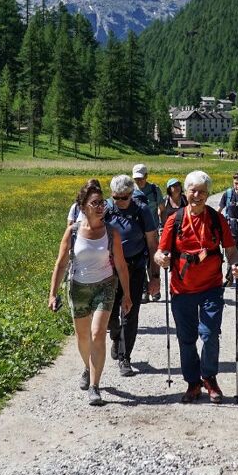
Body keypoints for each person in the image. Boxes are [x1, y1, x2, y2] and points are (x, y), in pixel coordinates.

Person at [154, 170, 238, 404]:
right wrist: (160, 259)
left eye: (202, 192)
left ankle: (209, 378)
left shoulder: (216, 219)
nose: (197, 195)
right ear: (185, 192)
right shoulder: (176, 219)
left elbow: (232, 252)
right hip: (181, 290)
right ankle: (193, 382)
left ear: (208, 194)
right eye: (193, 191)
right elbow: (160, 252)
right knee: (186, 338)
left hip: (211, 287)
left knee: (210, 334)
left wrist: (236, 266)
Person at [49, 180, 132, 406]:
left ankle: (95, 386)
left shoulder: (111, 233)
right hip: (78, 288)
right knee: (83, 337)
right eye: (94, 203)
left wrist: (127, 295)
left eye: (102, 203)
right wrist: (52, 294)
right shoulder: (73, 232)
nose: (100, 207)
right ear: (83, 206)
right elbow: (61, 263)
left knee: (97, 334)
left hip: (105, 285)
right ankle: (87, 366)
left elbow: (122, 266)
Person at [106, 174, 160, 377]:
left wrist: (154, 276)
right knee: (110, 313)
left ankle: (124, 357)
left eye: (124, 198)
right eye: (116, 197)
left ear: (131, 194)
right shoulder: (106, 209)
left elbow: (152, 243)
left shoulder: (141, 210)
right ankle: (116, 334)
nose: (119, 202)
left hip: (135, 268)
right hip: (109, 271)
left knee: (130, 313)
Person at [132, 164, 164, 301]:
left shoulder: (154, 190)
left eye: (141, 178)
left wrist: (162, 225)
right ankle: (144, 290)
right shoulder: (130, 191)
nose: (138, 181)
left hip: (152, 230)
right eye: (136, 179)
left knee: (153, 260)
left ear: (146, 176)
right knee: (139, 261)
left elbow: (161, 209)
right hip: (137, 232)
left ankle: (155, 289)